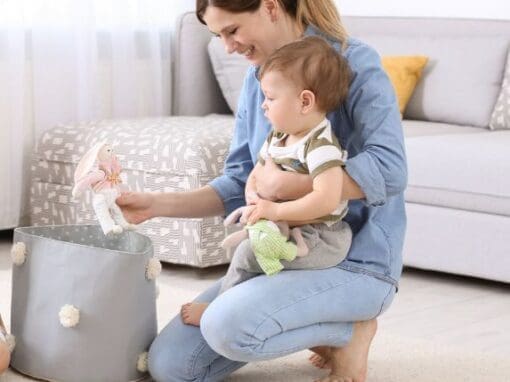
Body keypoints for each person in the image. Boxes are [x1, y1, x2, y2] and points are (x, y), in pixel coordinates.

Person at [116, 0, 407, 381]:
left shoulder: (354, 64)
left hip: (354, 261)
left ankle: (349, 331)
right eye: (218, 35)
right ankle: (314, 327)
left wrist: (293, 184)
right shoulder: (260, 83)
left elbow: (391, 168)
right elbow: (238, 182)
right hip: (284, 252)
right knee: (173, 366)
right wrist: (155, 205)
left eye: (232, 30)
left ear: (270, 7)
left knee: (226, 326)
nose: (228, 47)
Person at [181, 35, 354, 327]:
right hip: (286, 228)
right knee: (244, 250)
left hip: (321, 237)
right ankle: (246, 309)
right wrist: (252, 194)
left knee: (249, 254)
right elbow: (258, 171)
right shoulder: (279, 136)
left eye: (271, 98)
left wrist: (274, 211)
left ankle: (220, 311)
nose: (263, 106)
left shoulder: (321, 146)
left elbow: (326, 198)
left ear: (305, 101)